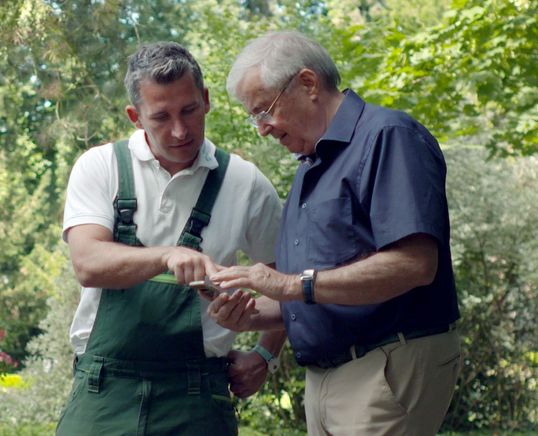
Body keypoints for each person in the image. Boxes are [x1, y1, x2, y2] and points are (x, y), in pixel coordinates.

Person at [206, 31, 462, 435]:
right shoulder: (311, 165)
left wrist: (289, 283)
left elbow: (414, 264)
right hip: (326, 379)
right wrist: (247, 316)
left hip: (385, 363)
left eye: (263, 110)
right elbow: (312, 294)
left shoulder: (387, 135)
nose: (262, 129)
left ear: (308, 84)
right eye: (253, 117)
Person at [55, 41, 285, 436]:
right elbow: (87, 264)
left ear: (207, 100)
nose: (180, 130)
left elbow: (287, 283)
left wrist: (266, 352)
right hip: (103, 392)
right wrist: (167, 257)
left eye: (190, 110)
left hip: (198, 397)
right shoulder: (101, 167)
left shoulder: (245, 183)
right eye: (161, 117)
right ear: (135, 116)